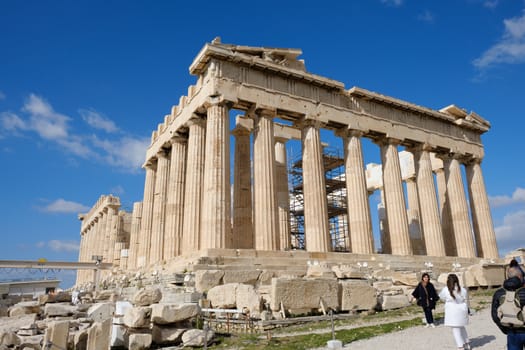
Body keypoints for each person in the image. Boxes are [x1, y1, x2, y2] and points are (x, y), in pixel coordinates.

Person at [491, 266, 525, 350]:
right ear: (520, 277)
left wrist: (505, 329)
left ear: (508, 277)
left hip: (512, 331)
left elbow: (495, 315)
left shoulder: (499, 293)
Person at [439, 273, 471, 350]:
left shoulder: (446, 289)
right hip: (462, 310)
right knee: (461, 327)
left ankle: (460, 346)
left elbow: (441, 297)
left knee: (455, 329)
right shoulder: (462, 289)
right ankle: (467, 344)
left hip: (452, 310)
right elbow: (466, 300)